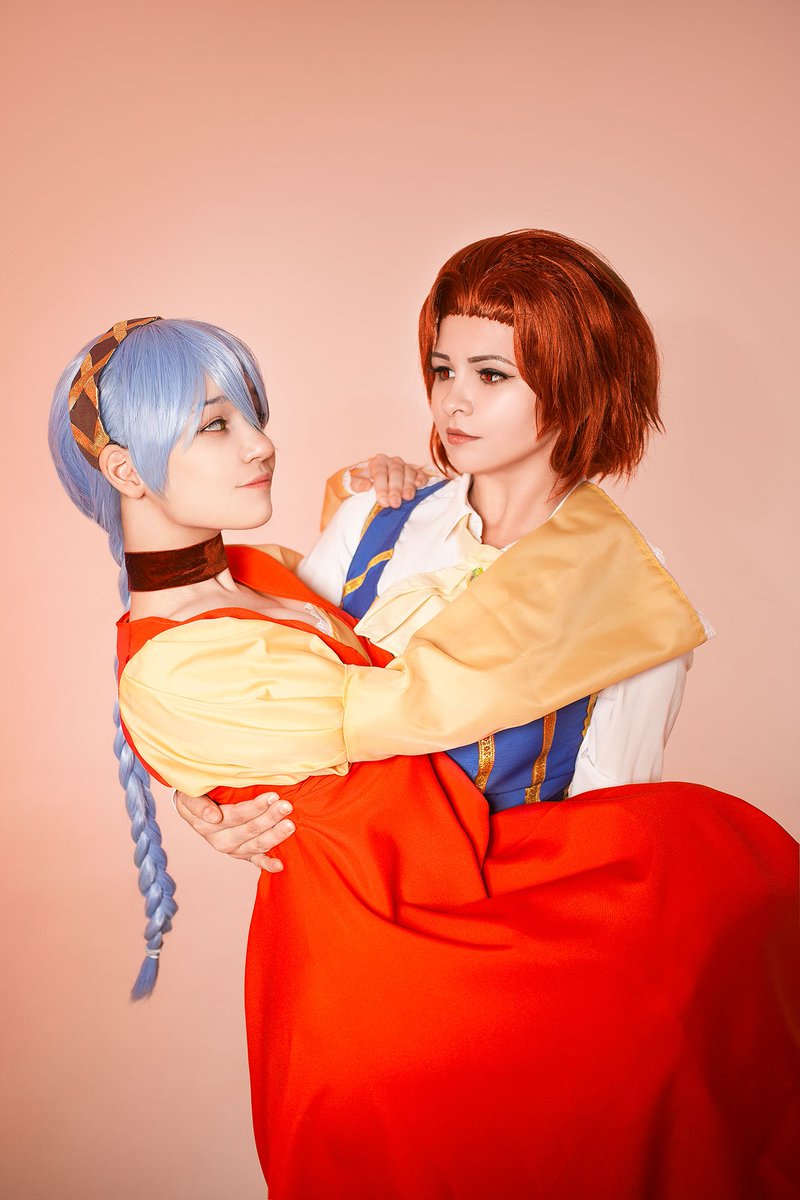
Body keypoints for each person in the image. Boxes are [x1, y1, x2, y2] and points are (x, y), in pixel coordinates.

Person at [50, 313, 799, 1199]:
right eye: (216, 425)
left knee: (717, 896)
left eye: (253, 414)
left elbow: (348, 628)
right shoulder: (174, 664)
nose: (261, 444)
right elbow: (410, 702)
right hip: (388, 969)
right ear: (124, 470)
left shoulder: (258, 573)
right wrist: (600, 572)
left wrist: (379, 500)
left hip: (450, 904)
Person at [175, 230, 703, 865]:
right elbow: (264, 697)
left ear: (578, 384)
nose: (454, 400)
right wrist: (215, 798)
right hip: (330, 890)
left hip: (502, 906)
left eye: (491, 374)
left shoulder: (632, 592)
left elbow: (606, 824)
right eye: (443, 369)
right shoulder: (371, 516)